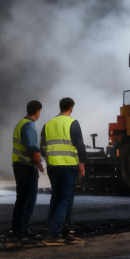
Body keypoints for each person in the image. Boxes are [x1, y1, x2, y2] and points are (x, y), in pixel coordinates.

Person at [42, 97, 88, 246]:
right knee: (65, 199)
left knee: (56, 197)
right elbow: (80, 145)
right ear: (71, 107)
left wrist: (50, 158)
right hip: (68, 166)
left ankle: (62, 231)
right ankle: (55, 234)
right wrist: (82, 164)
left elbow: (42, 147)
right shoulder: (72, 123)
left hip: (52, 167)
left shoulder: (48, 124)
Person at [11, 100, 44, 240]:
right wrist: (40, 165)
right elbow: (32, 148)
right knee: (28, 199)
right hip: (26, 166)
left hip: (19, 165)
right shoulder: (29, 125)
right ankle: (22, 230)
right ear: (38, 111)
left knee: (21, 198)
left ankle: (17, 229)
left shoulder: (21, 123)